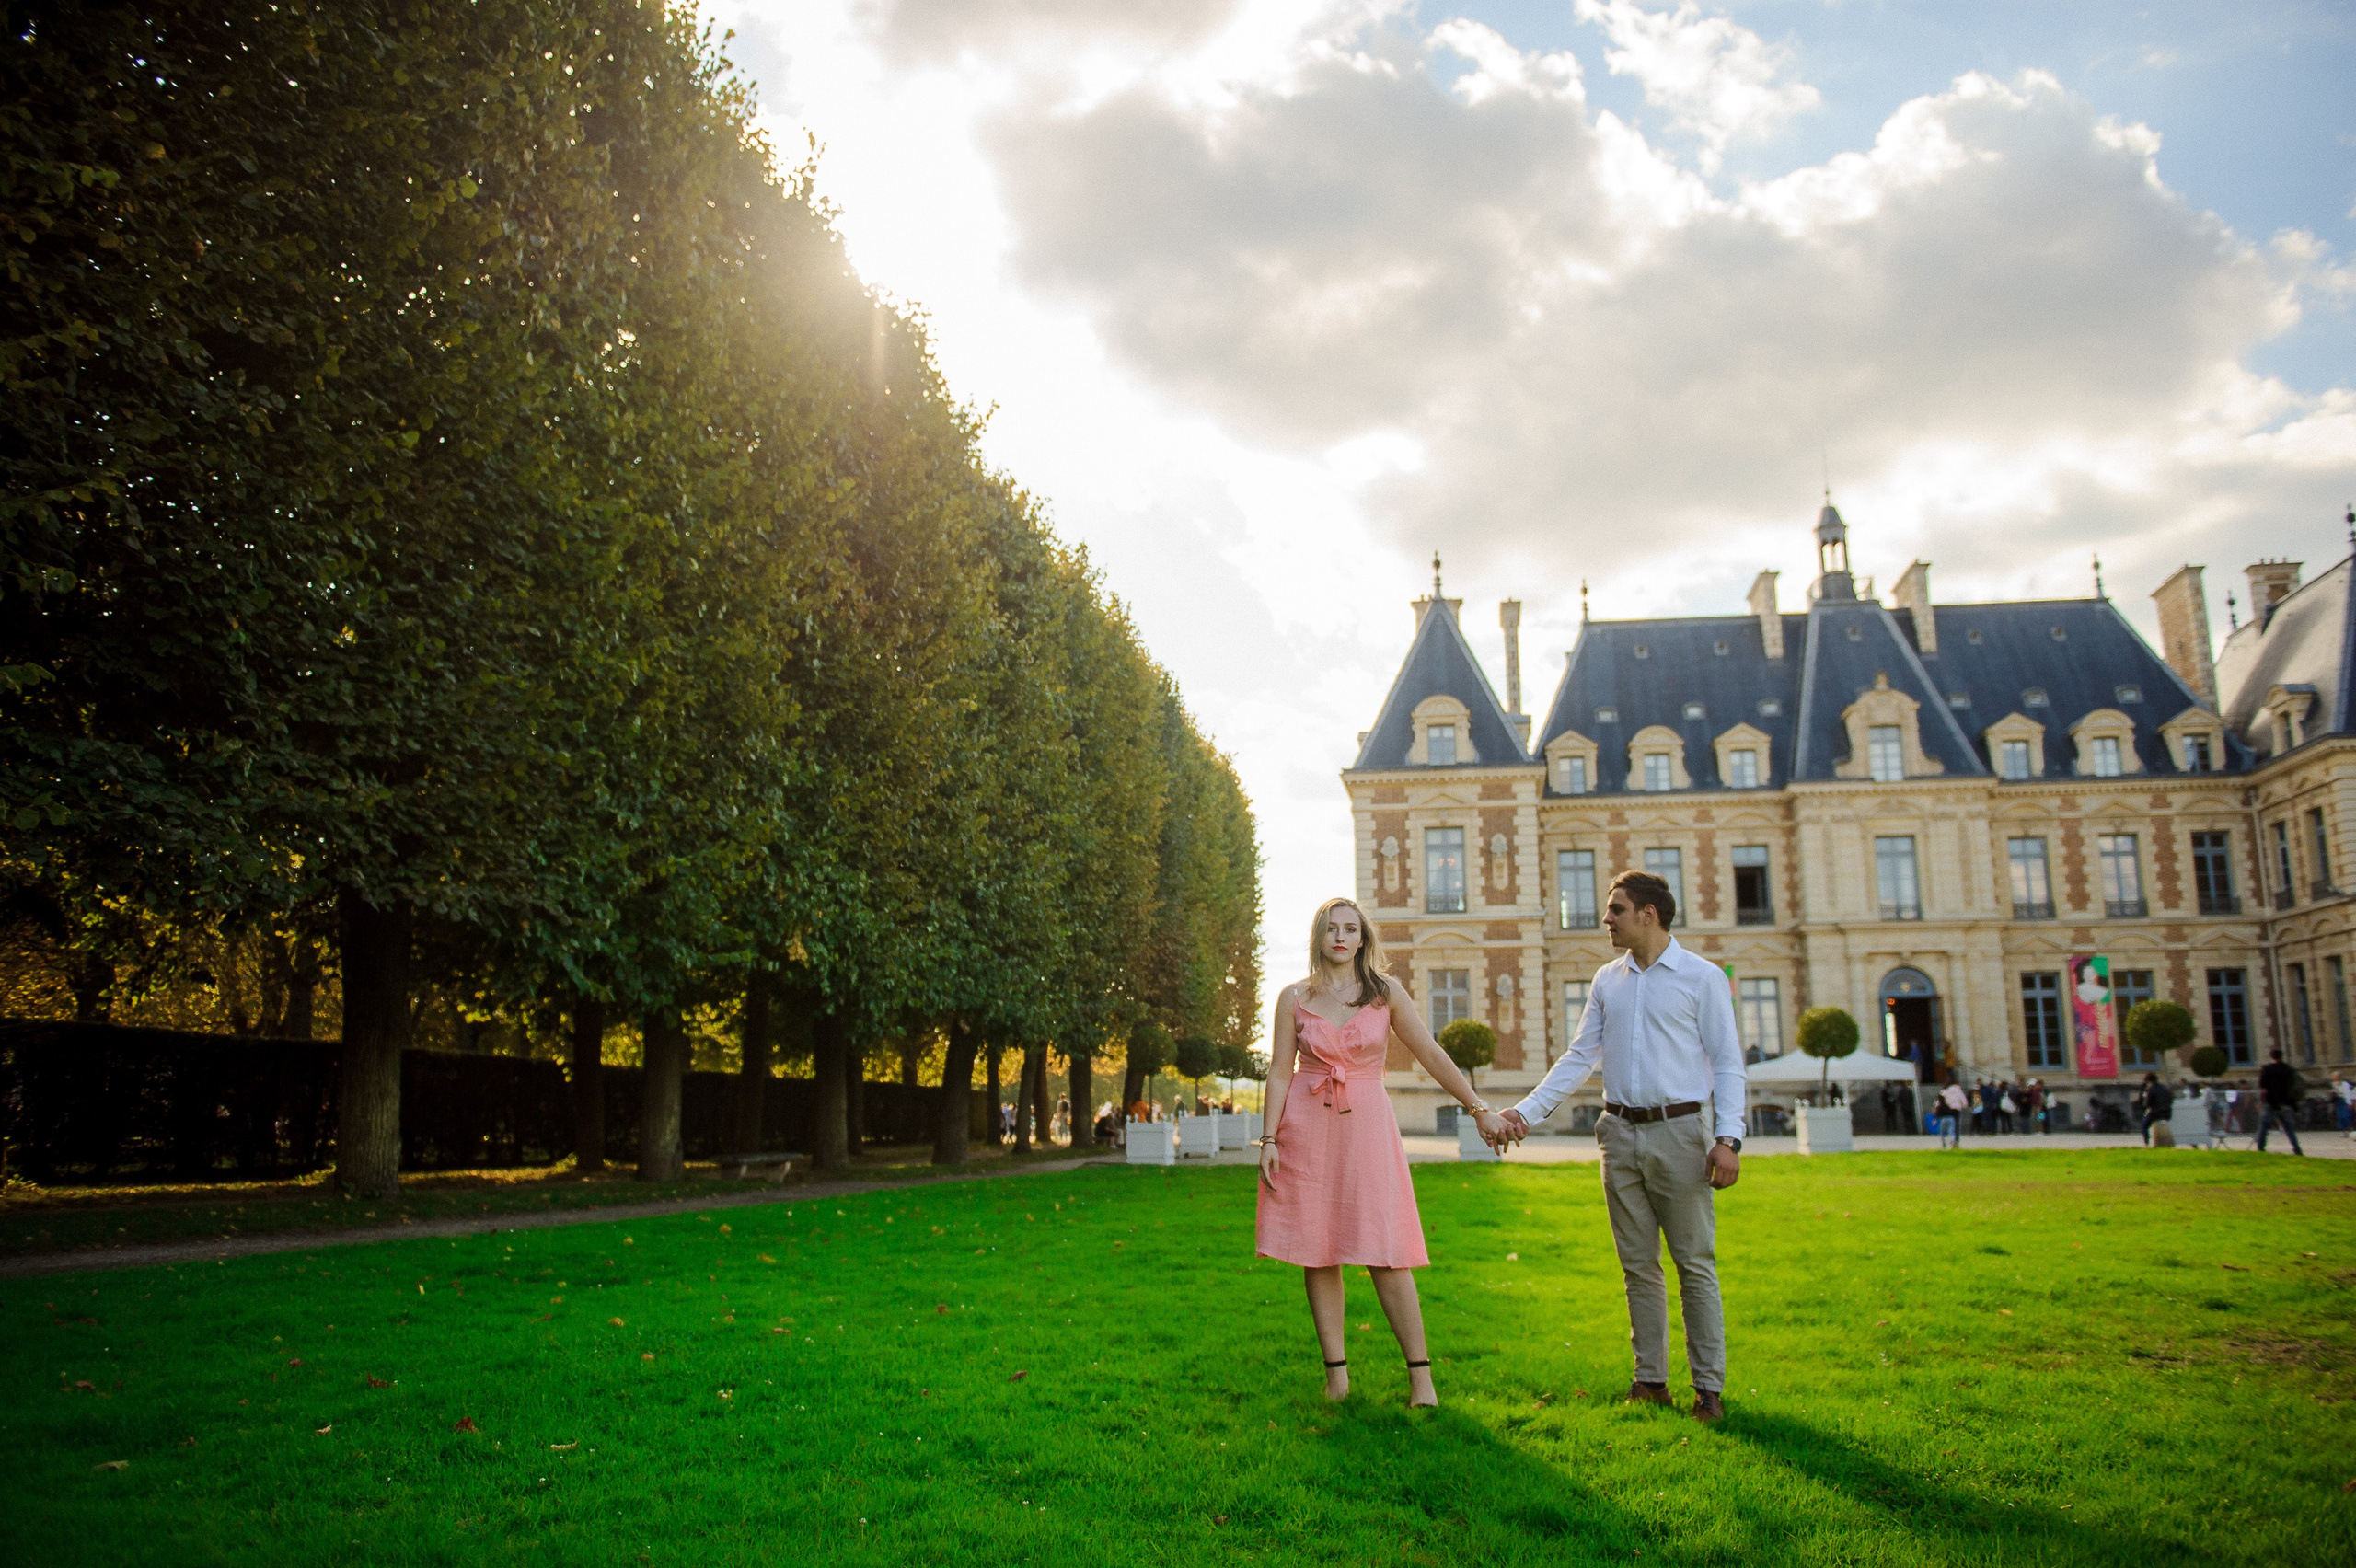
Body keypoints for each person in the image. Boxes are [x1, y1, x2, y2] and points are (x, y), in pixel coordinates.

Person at [1489, 871, 1745, 1424]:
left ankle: (1709, 1391)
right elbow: (1580, 1056)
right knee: (1637, 1267)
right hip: (1618, 1133)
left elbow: (1728, 1063)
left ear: (1648, 914)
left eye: (1616, 910)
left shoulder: (1702, 979)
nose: (1605, 919)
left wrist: (1728, 1139)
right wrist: (1524, 1112)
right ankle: (1650, 1382)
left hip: (1681, 1133)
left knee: (1693, 1264)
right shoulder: (1608, 980)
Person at [1256, 896, 1503, 1409]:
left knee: (1387, 1252)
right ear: (1318, 938)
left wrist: (1478, 1108)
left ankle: (1422, 1381)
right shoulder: (1293, 997)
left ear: (1364, 938)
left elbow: (1429, 1051)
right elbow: (1281, 1070)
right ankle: (1337, 1378)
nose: (1341, 937)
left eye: (1351, 929)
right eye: (1331, 929)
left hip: (1367, 1128)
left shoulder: (1385, 993)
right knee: (1317, 1251)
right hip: (1306, 1128)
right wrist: (1270, 1139)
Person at [2256, 1050, 2305, 1155]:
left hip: (2271, 1102)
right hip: (2285, 1102)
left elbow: (2262, 1085)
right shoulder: (2287, 1069)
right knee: (2288, 1127)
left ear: (2271, 1056)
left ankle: (2260, 1147)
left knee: (2264, 1125)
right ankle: (2296, 1148)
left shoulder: (2267, 1069)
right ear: (2281, 1056)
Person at [2135, 1073, 2173, 1145]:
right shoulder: (2164, 1088)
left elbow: (2147, 1103)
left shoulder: (2150, 1089)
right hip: (2167, 1112)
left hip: (2155, 1113)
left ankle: (2147, 1142)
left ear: (2148, 1081)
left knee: (2144, 1125)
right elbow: (2170, 1099)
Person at [1936, 1079, 1968, 1149]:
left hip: (1948, 1110)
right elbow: (1964, 1101)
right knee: (1956, 1126)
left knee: (1947, 1127)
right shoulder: (1958, 1090)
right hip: (1957, 1110)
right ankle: (1956, 1141)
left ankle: (1946, 1141)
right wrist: (1963, 1105)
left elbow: (1939, 1101)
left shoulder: (1945, 1090)